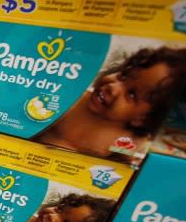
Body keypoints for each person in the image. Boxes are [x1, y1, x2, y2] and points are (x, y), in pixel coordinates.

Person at [34, 46, 186, 162]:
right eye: (123, 76)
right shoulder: (72, 101)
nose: (113, 87)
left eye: (131, 94)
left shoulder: (129, 142)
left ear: (142, 119)